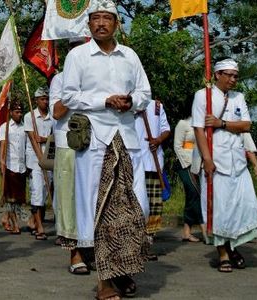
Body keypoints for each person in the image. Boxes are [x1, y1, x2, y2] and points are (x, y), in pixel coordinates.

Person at [61, 1, 150, 298]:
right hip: (95, 141)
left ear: (116, 23)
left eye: (107, 18)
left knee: (130, 209)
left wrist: (131, 102)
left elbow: (144, 93)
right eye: (95, 18)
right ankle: (105, 281)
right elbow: (69, 97)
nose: (101, 23)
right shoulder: (77, 56)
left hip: (127, 138)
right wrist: (104, 101)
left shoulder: (130, 56)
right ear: (88, 25)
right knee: (98, 209)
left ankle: (123, 270)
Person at [191, 58, 257, 273]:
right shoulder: (203, 95)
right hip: (216, 162)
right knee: (219, 210)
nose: (233, 79)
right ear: (217, 75)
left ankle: (233, 247)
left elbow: (246, 125)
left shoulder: (238, 97)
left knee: (245, 207)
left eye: (235, 75)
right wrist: (207, 159)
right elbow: (198, 129)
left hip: (238, 163)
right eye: (228, 75)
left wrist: (222, 123)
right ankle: (223, 253)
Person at [49, 37, 90, 275]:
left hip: (95, 144)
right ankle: (75, 253)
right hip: (69, 145)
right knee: (69, 200)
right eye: (74, 50)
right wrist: (75, 89)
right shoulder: (60, 79)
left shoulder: (98, 75)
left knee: (93, 200)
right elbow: (57, 112)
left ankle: (92, 250)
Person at [135, 99, 170, 241]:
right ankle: (137, 239)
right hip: (135, 163)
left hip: (154, 164)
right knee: (137, 202)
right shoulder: (128, 105)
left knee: (154, 204)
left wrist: (158, 140)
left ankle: (149, 240)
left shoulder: (156, 106)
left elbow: (166, 129)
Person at [23, 87, 54, 241]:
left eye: (47, 98)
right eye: (42, 99)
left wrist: (45, 139)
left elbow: (53, 137)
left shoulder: (52, 117)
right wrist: (40, 158)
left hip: (49, 158)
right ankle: (40, 227)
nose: (45, 101)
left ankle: (34, 221)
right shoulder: (30, 117)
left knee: (45, 190)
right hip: (35, 160)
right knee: (37, 191)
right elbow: (33, 140)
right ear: (36, 100)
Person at [174, 114, 206, 242]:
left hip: (198, 164)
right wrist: (187, 163)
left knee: (192, 196)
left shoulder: (201, 125)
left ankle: (186, 232)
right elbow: (177, 146)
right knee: (195, 193)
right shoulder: (183, 123)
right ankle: (205, 229)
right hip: (184, 164)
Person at [0, 100, 29, 234]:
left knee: (19, 199)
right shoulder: (5, 127)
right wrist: (2, 163)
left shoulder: (25, 127)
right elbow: (3, 146)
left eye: (21, 112)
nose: (19, 115)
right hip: (10, 165)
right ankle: (16, 224)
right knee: (11, 199)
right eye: (16, 112)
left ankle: (5, 217)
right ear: (11, 113)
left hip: (22, 166)